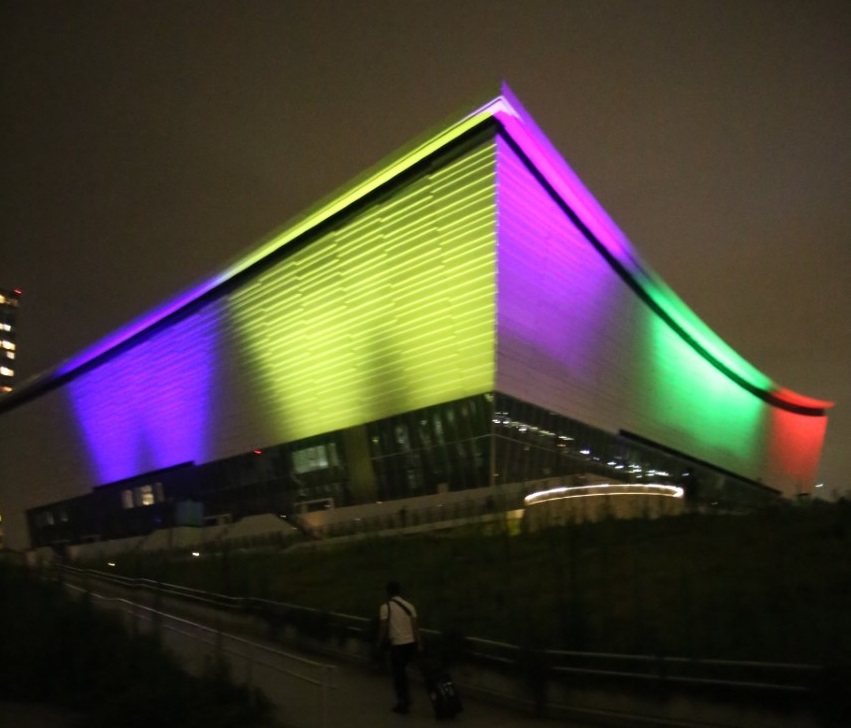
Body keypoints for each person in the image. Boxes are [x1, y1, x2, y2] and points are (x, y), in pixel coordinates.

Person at [377, 580, 423, 714]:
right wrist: (419, 644)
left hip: (398, 645)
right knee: (403, 672)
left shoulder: (385, 607)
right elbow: (415, 627)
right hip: (411, 644)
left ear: (388, 592)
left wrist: (379, 642)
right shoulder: (409, 606)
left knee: (398, 674)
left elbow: (383, 627)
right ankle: (405, 697)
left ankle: (403, 700)